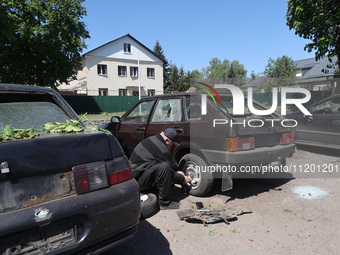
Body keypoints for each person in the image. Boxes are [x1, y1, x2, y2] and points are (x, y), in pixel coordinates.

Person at [129, 128, 190, 210]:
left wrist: (176, 173)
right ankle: (164, 203)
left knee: (162, 167)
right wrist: (182, 179)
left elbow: (159, 165)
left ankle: (154, 189)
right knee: (164, 167)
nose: (172, 146)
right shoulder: (163, 150)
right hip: (137, 183)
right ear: (166, 140)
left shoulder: (152, 139)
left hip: (133, 179)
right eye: (172, 143)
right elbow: (168, 172)